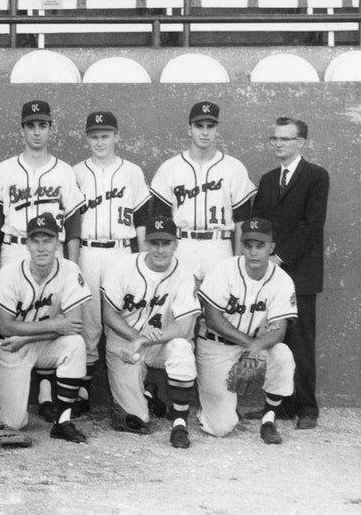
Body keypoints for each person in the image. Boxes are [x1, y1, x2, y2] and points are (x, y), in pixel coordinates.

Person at [0, 100, 86, 421]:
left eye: (42, 125)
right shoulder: (6, 168)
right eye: (31, 125)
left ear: (50, 129)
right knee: (1, 323)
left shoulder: (64, 171)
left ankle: (47, 388)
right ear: (22, 130)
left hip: (49, 249)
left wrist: (72, 262)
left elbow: (72, 223)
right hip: (13, 246)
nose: (37, 131)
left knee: (51, 313)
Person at [249, 116, 328, 430]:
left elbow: (312, 226)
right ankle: (279, 407)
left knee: (301, 340)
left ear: (301, 142)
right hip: (271, 272)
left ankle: (308, 408)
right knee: (273, 338)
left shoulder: (316, 176)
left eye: (285, 139)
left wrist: (278, 258)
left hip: (300, 273)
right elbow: (259, 222)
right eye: (274, 139)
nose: (278, 144)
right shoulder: (268, 180)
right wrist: (262, 259)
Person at [0, 214, 91, 444]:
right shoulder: (10, 273)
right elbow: (6, 325)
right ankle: (1, 405)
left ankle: (62, 422)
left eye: (48, 240)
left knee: (75, 345)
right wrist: (54, 324)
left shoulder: (70, 270)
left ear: (57, 243)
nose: (42, 247)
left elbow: (73, 325)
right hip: (8, 345)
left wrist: (28, 338)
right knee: (13, 423)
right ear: (27, 244)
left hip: (34, 342)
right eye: (36, 241)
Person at [72, 111, 150, 414]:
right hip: (89, 251)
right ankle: (82, 392)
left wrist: (141, 259)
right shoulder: (77, 172)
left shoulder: (132, 171)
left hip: (121, 251)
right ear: (87, 139)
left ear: (117, 137)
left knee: (125, 318)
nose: (100, 141)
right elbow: (72, 222)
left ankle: (131, 393)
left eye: (105, 135)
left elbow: (142, 219)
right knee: (89, 322)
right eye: (94, 136)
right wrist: (73, 261)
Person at [100, 217, 200, 448]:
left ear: (176, 244)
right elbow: (109, 314)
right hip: (124, 341)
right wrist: (136, 338)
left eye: (166, 243)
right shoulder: (124, 267)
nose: (160, 249)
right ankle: (146, 397)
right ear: (145, 243)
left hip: (159, 342)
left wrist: (143, 340)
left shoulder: (183, 274)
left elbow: (184, 326)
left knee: (183, 348)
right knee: (136, 421)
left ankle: (180, 423)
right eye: (154, 243)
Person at [195, 218, 297, 445]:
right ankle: (215, 405)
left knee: (282, 354)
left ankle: (269, 418)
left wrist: (254, 348)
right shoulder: (223, 270)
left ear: (271, 247)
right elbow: (213, 319)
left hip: (255, 348)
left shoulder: (282, 280)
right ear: (241, 246)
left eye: (260, 246)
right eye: (248, 246)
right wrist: (252, 345)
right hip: (217, 345)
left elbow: (279, 331)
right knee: (220, 428)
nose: (253, 252)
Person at [149, 101, 256, 283]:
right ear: (189, 129)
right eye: (199, 126)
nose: (205, 132)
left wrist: (238, 261)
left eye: (210, 126)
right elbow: (160, 220)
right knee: (179, 306)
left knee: (221, 305)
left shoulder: (234, 167)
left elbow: (242, 222)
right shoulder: (170, 168)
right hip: (182, 244)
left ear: (217, 130)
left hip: (219, 245)